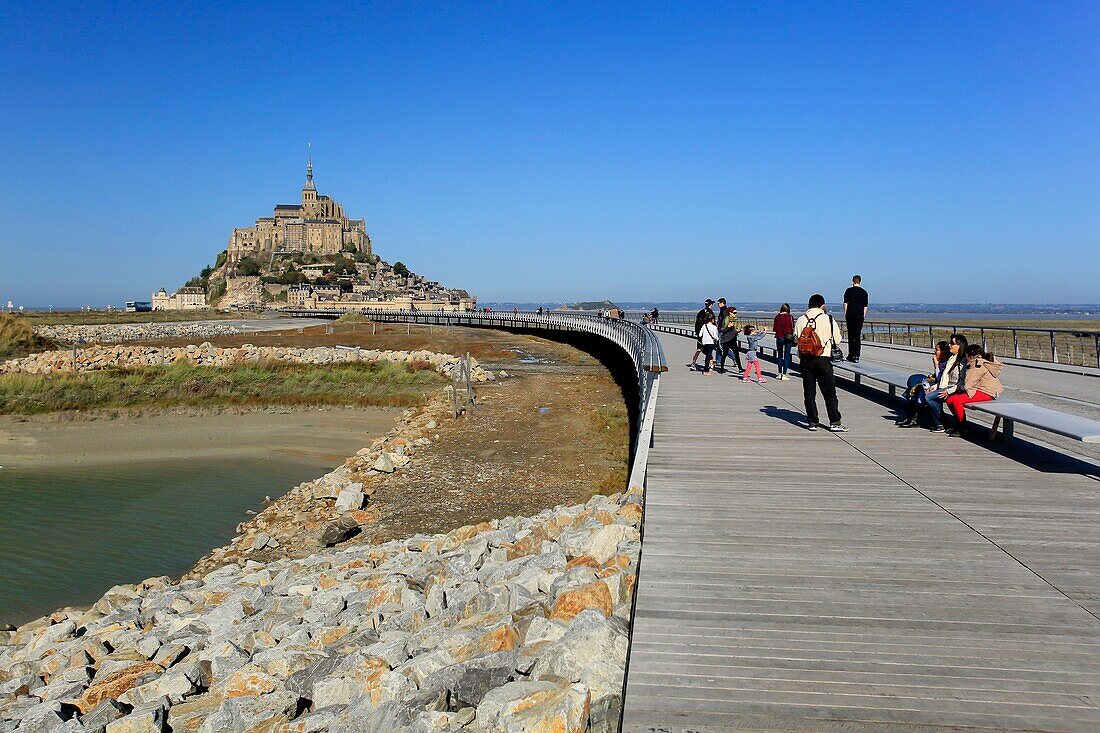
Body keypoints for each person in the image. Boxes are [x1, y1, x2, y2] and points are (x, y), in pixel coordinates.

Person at [794, 294, 846, 432]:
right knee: (829, 393)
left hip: (805, 360)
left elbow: (796, 339)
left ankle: (812, 421)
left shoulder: (800, 319)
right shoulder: (828, 319)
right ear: (822, 305)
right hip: (823, 359)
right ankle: (834, 421)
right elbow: (837, 339)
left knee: (809, 393)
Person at [944, 345, 1005, 437]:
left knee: (956, 400)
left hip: (987, 392)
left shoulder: (977, 365)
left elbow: (969, 384)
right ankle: (960, 422)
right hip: (980, 389)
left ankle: (963, 427)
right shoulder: (977, 362)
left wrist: (956, 390)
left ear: (971, 356)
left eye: (966, 355)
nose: (965, 357)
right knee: (950, 400)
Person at [897, 341, 951, 427]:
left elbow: (943, 379)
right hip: (937, 384)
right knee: (916, 383)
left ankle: (914, 419)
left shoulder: (947, 363)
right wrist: (933, 375)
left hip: (944, 387)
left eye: (937, 350)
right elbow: (938, 376)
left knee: (921, 391)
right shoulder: (941, 361)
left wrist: (936, 365)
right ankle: (911, 417)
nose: (934, 352)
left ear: (943, 352)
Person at [923, 333, 968, 433]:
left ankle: (942, 423)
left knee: (930, 397)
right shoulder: (952, 358)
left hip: (956, 388)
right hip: (947, 386)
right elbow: (945, 377)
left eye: (952, 343)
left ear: (960, 346)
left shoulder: (963, 360)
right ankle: (942, 423)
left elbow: (962, 381)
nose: (949, 345)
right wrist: (936, 386)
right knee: (927, 393)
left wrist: (948, 391)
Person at [843, 275, 868, 363]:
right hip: (859, 316)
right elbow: (865, 306)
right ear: (860, 281)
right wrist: (863, 315)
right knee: (857, 336)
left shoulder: (848, 291)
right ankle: (856, 355)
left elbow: (845, 303)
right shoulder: (864, 292)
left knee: (851, 335)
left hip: (850, 315)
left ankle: (851, 354)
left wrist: (846, 314)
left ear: (852, 281)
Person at [772, 303, 795, 380]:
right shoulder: (790, 317)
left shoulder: (777, 317)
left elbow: (774, 329)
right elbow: (792, 327)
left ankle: (779, 373)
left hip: (779, 337)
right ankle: (784, 374)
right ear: (788, 310)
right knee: (787, 355)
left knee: (780, 355)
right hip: (788, 338)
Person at [718, 305, 743, 373]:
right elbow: (721, 330)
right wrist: (728, 327)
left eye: (736, 312)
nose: (736, 314)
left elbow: (734, 330)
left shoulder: (735, 320)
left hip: (733, 339)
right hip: (726, 340)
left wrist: (738, 330)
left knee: (736, 354)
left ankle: (740, 368)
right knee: (725, 354)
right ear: (730, 313)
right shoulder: (726, 319)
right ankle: (721, 368)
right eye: (734, 313)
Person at [691, 299, 715, 369]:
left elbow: (697, 323)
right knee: (709, 350)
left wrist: (697, 333)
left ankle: (693, 363)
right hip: (707, 334)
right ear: (711, 304)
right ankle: (711, 365)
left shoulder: (700, 312)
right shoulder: (710, 313)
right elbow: (712, 323)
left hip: (700, 334)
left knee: (699, 349)